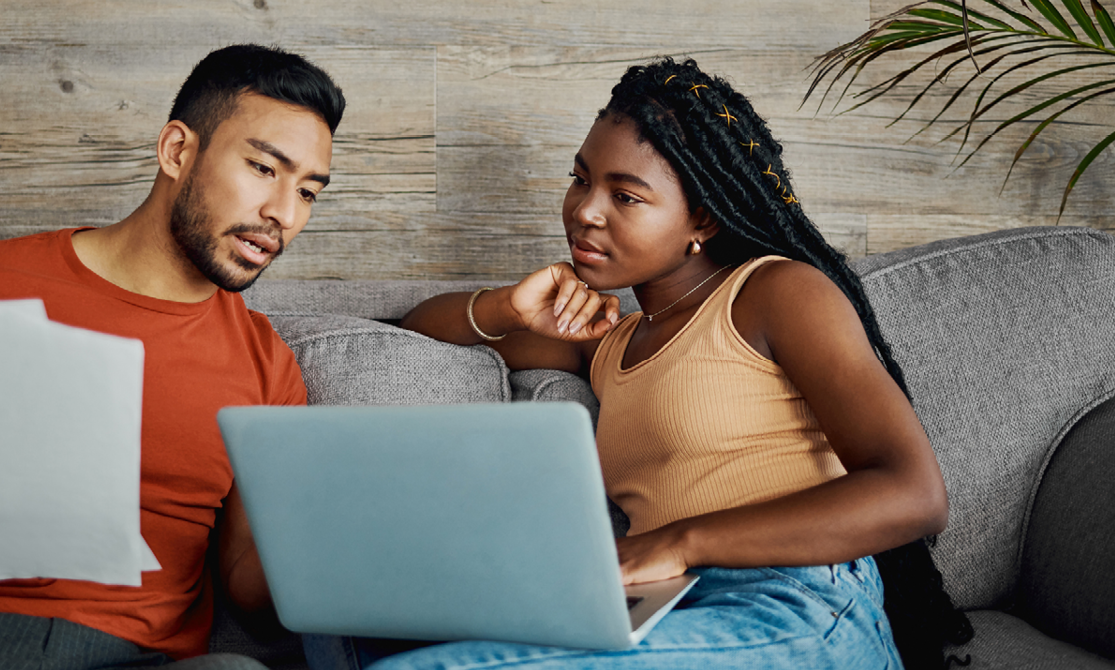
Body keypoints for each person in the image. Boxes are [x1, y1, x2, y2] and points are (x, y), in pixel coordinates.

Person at [385, 58, 973, 669]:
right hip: (666, 605)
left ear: (702, 219)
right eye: (580, 179)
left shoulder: (775, 294)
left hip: (796, 600)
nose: (586, 210)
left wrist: (675, 543)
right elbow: (422, 329)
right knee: (375, 632)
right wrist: (510, 305)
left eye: (626, 195)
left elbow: (913, 493)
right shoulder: (608, 339)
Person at [0, 44, 344, 670]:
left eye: (309, 192)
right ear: (178, 152)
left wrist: (351, 538)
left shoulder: (267, 366)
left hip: (135, 658)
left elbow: (249, 583)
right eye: (265, 169)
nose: (284, 216)